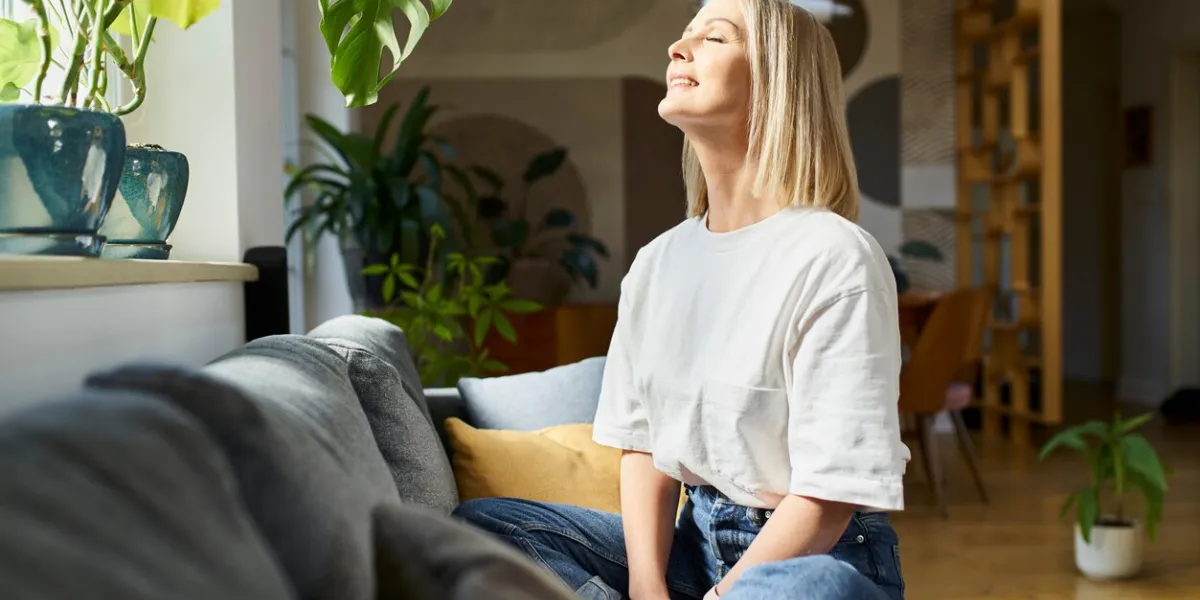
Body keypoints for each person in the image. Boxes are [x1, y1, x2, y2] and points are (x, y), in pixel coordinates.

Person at [452, 0, 911, 598]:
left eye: (714, 38)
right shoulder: (657, 264)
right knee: (485, 529)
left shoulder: (835, 256)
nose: (678, 48)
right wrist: (648, 588)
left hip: (813, 558)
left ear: (778, 80)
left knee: (817, 586)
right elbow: (642, 447)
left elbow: (829, 499)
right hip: (694, 547)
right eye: (683, 34)